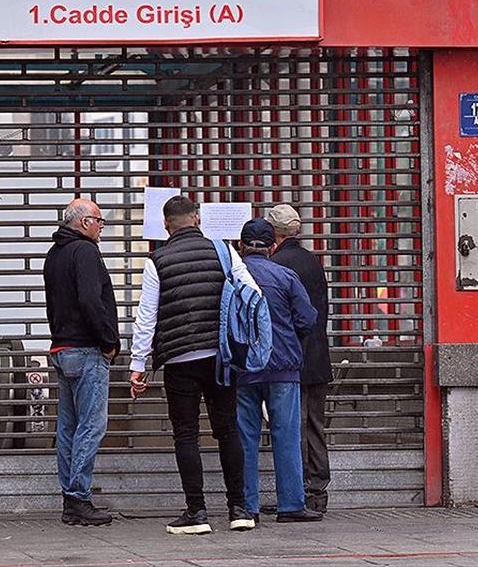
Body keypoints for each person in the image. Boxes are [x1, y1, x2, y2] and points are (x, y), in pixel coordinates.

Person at [129, 195, 259, 535]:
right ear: (197, 219)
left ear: (167, 225)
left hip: (179, 359)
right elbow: (250, 292)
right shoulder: (225, 250)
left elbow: (146, 318)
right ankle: (239, 508)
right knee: (227, 429)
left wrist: (137, 364)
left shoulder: (156, 261)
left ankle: (197, 513)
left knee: (185, 434)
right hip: (220, 357)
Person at [235, 218, 323, 524]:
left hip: (242, 368)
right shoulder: (285, 276)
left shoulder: (231, 279)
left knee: (245, 438)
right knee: (286, 436)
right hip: (283, 367)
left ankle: (248, 506)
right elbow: (307, 319)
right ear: (272, 247)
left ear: (240, 245)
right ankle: (291, 505)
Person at [43, 198, 119, 526]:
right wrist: (108, 341)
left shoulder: (55, 254)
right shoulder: (85, 252)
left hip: (62, 348)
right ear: (85, 222)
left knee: (69, 427)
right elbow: (91, 299)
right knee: (92, 424)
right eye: (100, 221)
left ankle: (70, 498)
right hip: (86, 350)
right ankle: (78, 497)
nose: (102, 227)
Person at [266, 203, 333, 513]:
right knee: (315, 425)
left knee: (294, 426)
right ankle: (319, 490)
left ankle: (302, 491)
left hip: (290, 359)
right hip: (318, 357)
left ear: (274, 232)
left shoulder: (276, 264)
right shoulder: (313, 261)